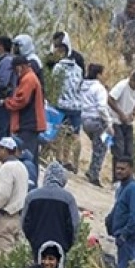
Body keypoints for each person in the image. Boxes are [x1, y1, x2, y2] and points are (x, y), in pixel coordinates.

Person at [22, 161, 81, 255]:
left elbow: (24, 223)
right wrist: (69, 245)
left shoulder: (32, 196)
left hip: (37, 246)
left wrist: (32, 240)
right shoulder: (68, 198)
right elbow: (75, 226)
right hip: (60, 248)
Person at [106, 157, 135, 268]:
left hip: (131, 237)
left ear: (130, 169)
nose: (119, 171)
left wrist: (124, 234)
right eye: (117, 168)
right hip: (123, 235)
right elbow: (120, 207)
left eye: (123, 169)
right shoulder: (122, 187)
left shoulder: (134, 189)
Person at [0, 138, 30, 255]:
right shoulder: (22, 167)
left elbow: (4, 194)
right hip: (18, 218)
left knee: (2, 257)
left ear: (5, 150)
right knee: (15, 257)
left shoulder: (7, 167)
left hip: (5, 217)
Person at [51, 38, 85, 172]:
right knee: (74, 135)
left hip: (61, 104)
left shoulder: (58, 67)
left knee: (60, 132)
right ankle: (72, 161)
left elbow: (54, 85)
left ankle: (59, 158)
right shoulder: (78, 69)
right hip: (76, 105)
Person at [5, 55, 46, 161]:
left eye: (15, 69)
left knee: (25, 155)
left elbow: (21, 100)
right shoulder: (29, 77)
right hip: (30, 123)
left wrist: (7, 102)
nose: (14, 72)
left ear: (20, 67)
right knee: (31, 155)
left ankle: (26, 176)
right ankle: (31, 176)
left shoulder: (29, 79)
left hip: (28, 123)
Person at [79, 63, 113, 187]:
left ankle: (92, 170)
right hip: (97, 120)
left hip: (84, 119)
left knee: (97, 144)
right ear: (98, 75)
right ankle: (94, 173)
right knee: (102, 146)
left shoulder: (83, 84)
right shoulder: (99, 88)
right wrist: (109, 123)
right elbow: (102, 108)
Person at [106, 71, 135, 168]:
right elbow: (110, 99)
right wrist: (120, 113)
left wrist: (133, 113)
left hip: (128, 123)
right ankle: (116, 178)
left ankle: (125, 178)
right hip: (116, 121)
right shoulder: (122, 86)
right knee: (119, 150)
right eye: (134, 85)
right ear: (131, 79)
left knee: (129, 152)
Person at [111, 0, 135, 67]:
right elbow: (114, 34)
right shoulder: (119, 18)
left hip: (134, 53)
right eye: (134, 9)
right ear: (128, 8)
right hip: (121, 53)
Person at [13, 34, 47, 98]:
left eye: (17, 45)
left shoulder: (32, 61)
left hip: (33, 99)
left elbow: (27, 82)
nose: (14, 48)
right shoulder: (26, 59)